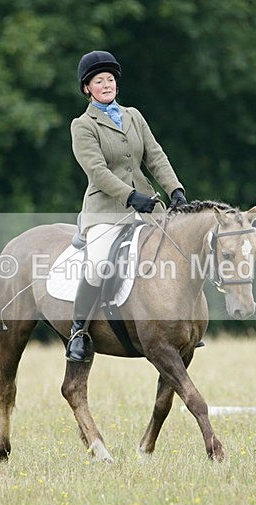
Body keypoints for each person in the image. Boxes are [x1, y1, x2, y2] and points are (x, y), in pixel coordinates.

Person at [66, 50, 187, 363]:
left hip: (148, 206)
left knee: (179, 252)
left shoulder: (134, 116)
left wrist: (175, 190)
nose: (106, 84)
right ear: (86, 88)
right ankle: (79, 331)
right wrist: (131, 197)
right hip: (106, 210)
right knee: (97, 263)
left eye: (110, 80)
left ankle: (182, 324)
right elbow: (97, 171)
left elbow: (155, 156)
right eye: (98, 81)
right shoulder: (83, 125)